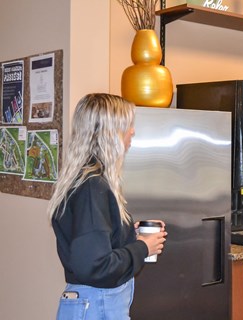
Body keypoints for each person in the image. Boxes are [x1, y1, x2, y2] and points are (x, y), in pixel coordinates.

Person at [48, 93, 167, 320]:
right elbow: (95, 266)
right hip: (97, 304)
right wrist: (142, 248)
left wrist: (128, 233)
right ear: (109, 132)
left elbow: (91, 241)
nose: (132, 131)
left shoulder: (84, 178)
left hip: (93, 302)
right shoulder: (93, 186)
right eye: (127, 125)